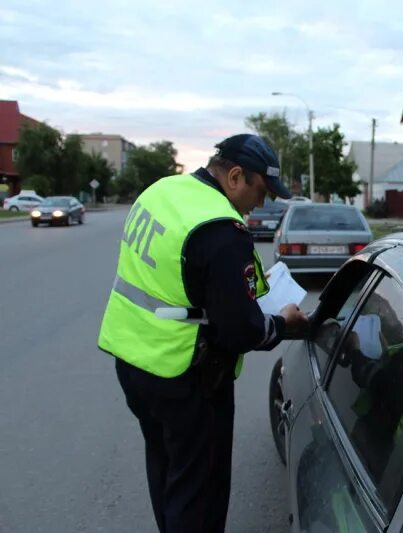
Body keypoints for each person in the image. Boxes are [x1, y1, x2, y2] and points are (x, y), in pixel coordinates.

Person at [97, 133, 308, 533]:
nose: (260, 204)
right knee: (199, 494)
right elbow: (241, 332)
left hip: (134, 363)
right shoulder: (221, 230)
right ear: (234, 176)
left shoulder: (163, 191)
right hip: (186, 378)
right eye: (260, 191)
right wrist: (284, 323)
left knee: (166, 470)